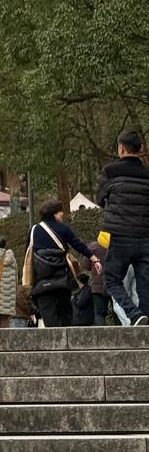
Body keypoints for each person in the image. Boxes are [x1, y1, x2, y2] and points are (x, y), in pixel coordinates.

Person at [97, 130, 149, 326]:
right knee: (145, 284)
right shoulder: (147, 173)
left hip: (120, 235)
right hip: (145, 235)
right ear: (140, 149)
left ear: (121, 148)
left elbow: (100, 198)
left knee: (112, 281)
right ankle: (144, 319)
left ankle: (134, 315)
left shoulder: (110, 171)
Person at [29, 200, 101, 328]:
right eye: (60, 211)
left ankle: (55, 343)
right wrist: (94, 258)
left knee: (49, 317)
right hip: (62, 277)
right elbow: (78, 245)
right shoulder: (63, 229)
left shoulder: (34, 230)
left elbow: (28, 254)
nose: (62, 214)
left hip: (41, 280)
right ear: (55, 214)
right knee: (66, 314)